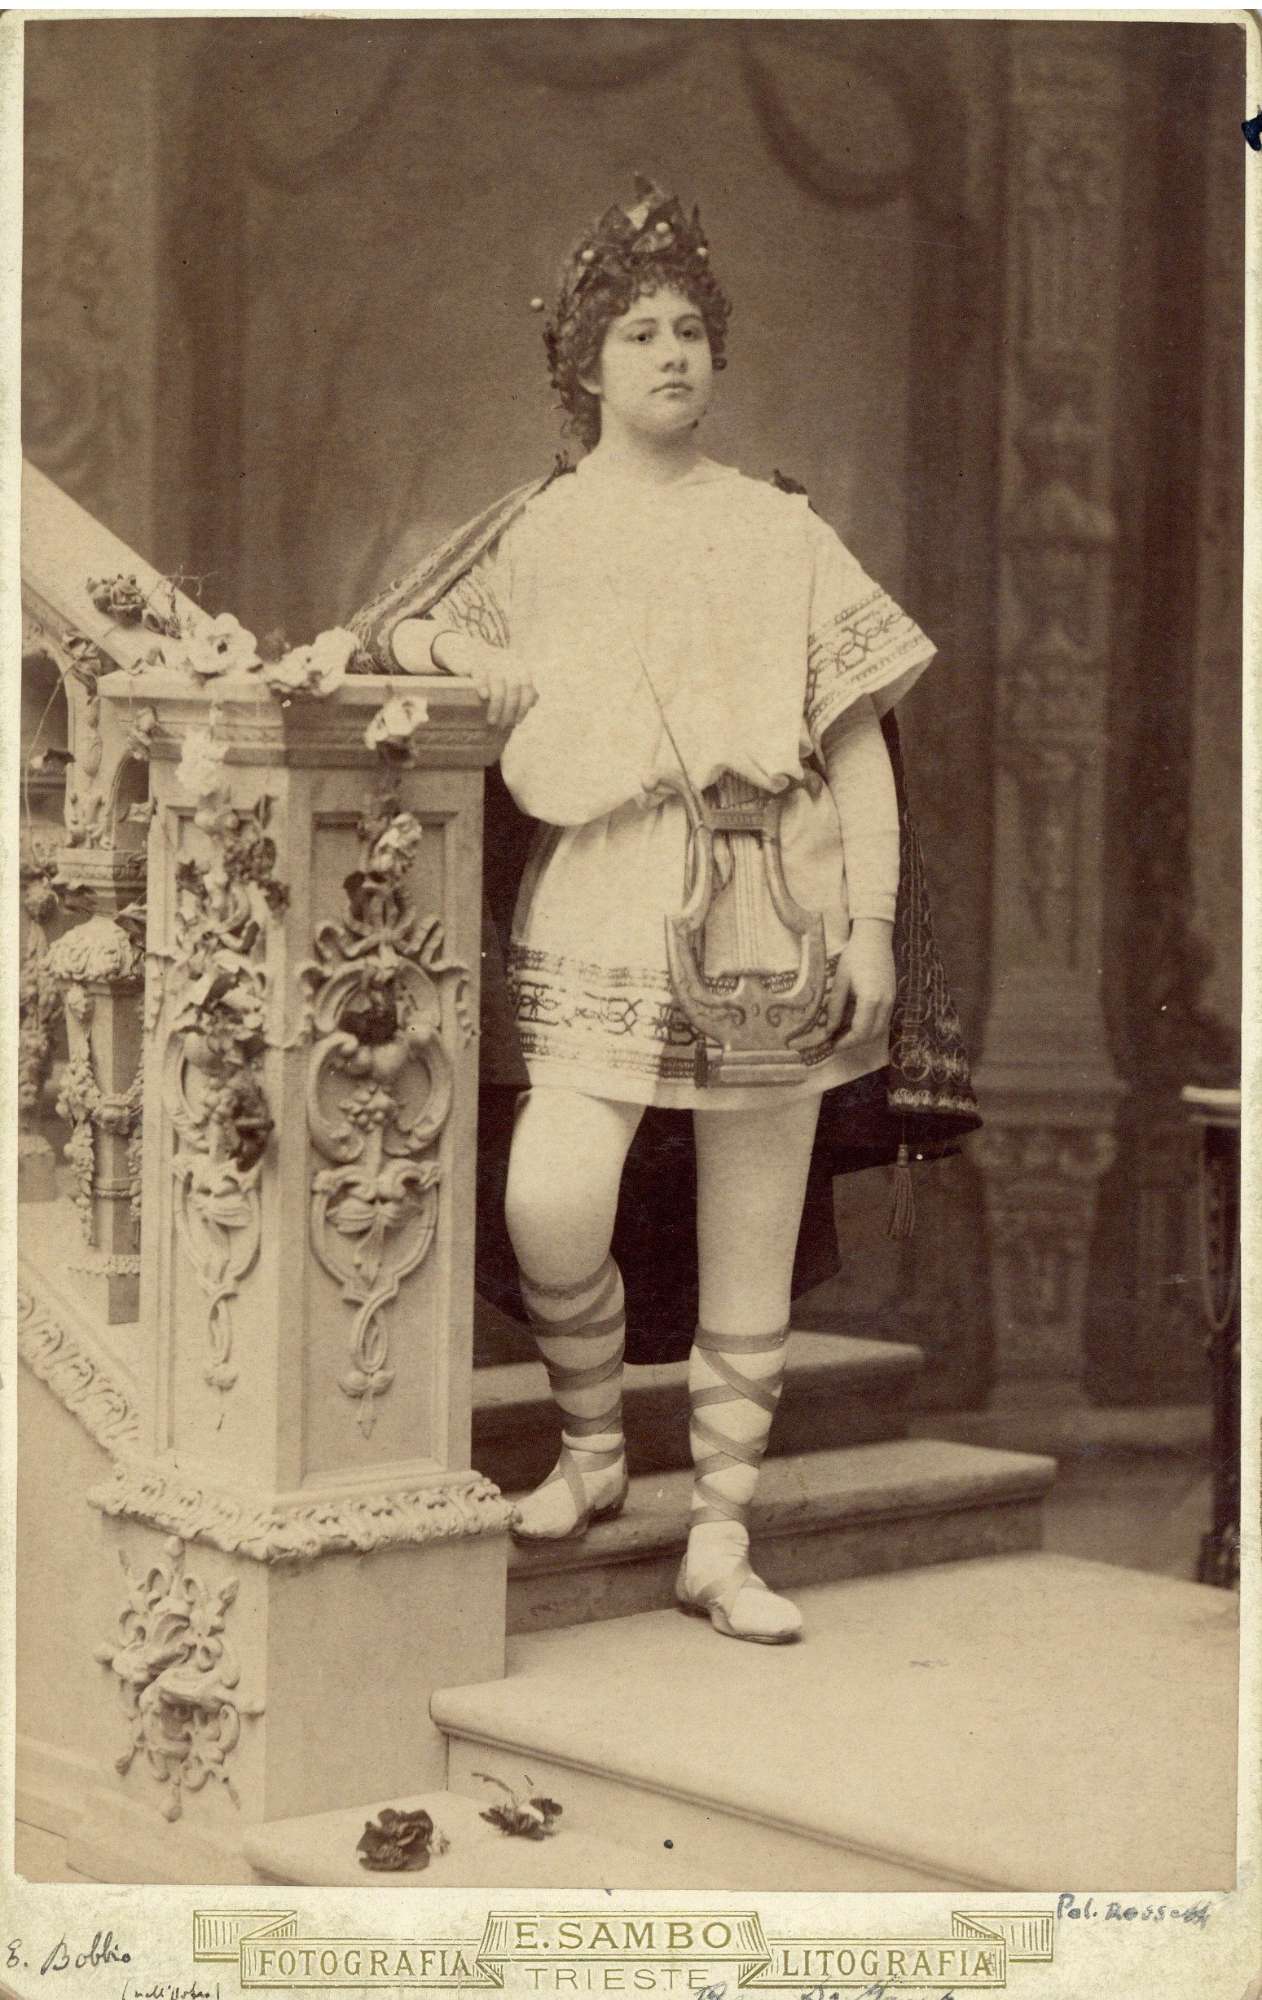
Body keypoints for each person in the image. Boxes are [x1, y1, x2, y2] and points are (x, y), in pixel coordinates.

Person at [350, 182, 977, 1644]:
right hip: (601, 894)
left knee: (752, 1224)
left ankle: (721, 1535)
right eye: (638, 332)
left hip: (775, 899)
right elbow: (401, 627)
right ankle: (591, 1451)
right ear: (585, 363)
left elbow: (855, 742)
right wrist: (457, 653)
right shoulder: (538, 530)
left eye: (689, 328)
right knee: (550, 1200)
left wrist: (870, 928)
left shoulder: (778, 528)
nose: (670, 353)